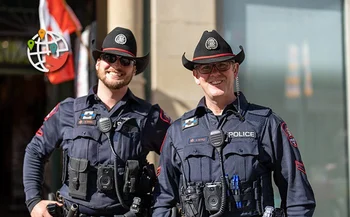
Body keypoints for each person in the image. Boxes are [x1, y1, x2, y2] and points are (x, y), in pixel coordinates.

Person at [152, 30, 316, 217]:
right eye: (206, 68)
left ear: (235, 70)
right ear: (196, 76)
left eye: (222, 65)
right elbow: (162, 202)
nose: (215, 73)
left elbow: (299, 198)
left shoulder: (266, 124)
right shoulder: (179, 132)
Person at [23, 26, 171, 217]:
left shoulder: (148, 116)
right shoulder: (69, 111)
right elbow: (35, 151)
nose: (116, 66)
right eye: (110, 58)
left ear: (134, 69)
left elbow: (178, 158)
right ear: (98, 63)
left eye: (125, 61)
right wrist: (34, 202)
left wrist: (161, 207)